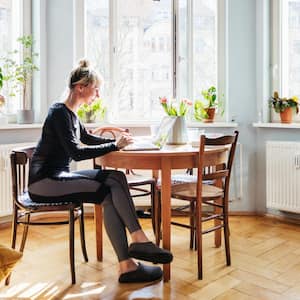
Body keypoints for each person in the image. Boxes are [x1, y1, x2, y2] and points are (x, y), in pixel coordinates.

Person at [28, 59, 173, 283]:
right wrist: (115, 145)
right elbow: (77, 152)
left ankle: (127, 264)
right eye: (96, 90)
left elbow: (86, 138)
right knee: (113, 180)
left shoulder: (71, 114)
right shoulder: (58, 112)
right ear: (80, 87)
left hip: (58, 177)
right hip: (44, 183)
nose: (97, 96)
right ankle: (138, 241)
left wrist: (122, 142)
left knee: (112, 185)